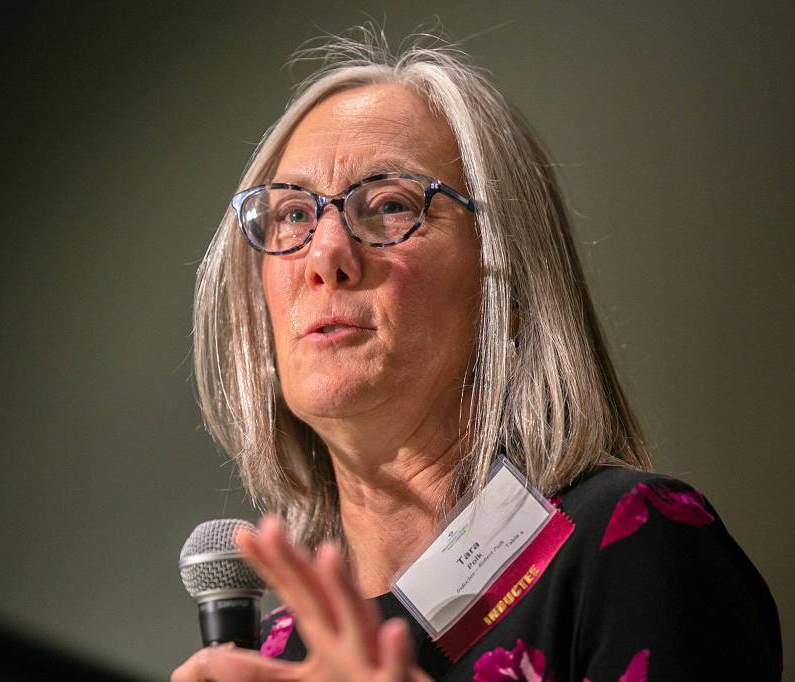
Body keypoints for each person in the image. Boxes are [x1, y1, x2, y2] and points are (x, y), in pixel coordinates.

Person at [172, 27, 782, 681]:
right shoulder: (276, 655)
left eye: (389, 205)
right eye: (293, 214)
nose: (325, 256)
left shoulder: (633, 543)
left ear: (509, 283)